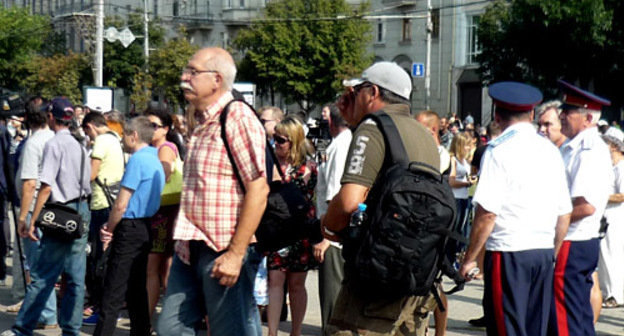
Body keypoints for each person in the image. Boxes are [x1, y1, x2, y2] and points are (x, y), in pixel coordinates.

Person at [157, 47, 269, 336]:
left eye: (192, 72)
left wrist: (235, 253)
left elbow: (259, 188)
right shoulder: (202, 119)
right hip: (189, 246)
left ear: (216, 80)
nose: (184, 77)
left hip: (222, 248)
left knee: (231, 331)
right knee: (170, 329)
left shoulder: (236, 117)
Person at [322, 61, 440, 336]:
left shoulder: (374, 128)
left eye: (358, 90)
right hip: (416, 274)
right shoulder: (423, 133)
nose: (352, 97)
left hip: (375, 278)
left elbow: (350, 201)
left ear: (372, 92)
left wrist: (328, 223)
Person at [458, 82, 572, 336]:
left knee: (506, 328)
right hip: (541, 251)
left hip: (508, 252)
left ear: (497, 116)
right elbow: (564, 213)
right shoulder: (551, 151)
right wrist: (551, 252)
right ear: (532, 115)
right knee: (535, 329)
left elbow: (487, 213)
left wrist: (469, 259)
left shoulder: (498, 151)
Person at [2, 97, 91, 336]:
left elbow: (46, 186)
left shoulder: (54, 144)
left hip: (59, 211)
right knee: (75, 277)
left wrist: (31, 220)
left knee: (42, 275)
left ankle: (23, 329)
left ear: (51, 117)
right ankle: (71, 329)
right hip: (81, 209)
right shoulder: (79, 145)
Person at [548, 80, 613, 336]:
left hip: (573, 239)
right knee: (576, 313)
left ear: (587, 118)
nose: (562, 115)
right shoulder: (573, 146)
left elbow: (585, 206)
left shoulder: (589, 150)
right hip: (573, 239)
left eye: (569, 110)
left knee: (565, 316)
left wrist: (548, 221)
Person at [93, 116, 165, 336]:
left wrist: (109, 229)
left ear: (134, 135)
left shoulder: (137, 160)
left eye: (125, 134)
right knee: (136, 288)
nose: (123, 138)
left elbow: (121, 203)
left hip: (130, 226)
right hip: (145, 226)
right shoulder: (156, 157)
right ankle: (141, 330)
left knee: (113, 289)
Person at [266, 116, 318, 336]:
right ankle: (272, 331)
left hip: (299, 232)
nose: (276, 144)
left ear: (294, 141)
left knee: (297, 284)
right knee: (275, 279)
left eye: (281, 140)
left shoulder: (308, 169)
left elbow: (314, 201)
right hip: (275, 230)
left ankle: (296, 332)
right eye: (274, 139)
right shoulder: (269, 163)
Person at [13, 100, 57, 329]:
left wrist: (23, 218)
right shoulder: (57, 139)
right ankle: (50, 313)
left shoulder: (34, 143)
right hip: (57, 210)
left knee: (37, 266)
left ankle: (46, 314)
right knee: (54, 265)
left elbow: (30, 183)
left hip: (36, 210)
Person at [80, 111, 125, 325]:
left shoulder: (100, 142)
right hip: (113, 202)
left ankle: (97, 305)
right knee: (106, 257)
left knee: (97, 257)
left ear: (90, 127)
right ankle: (102, 305)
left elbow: (91, 174)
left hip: (100, 204)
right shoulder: (116, 139)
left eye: (87, 132)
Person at [314, 104, 352, 336]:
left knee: (332, 294)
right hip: (335, 229)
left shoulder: (341, 146)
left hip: (334, 232)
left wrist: (327, 237)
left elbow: (335, 194)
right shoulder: (343, 143)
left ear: (331, 123)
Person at [143, 107, 183, 321]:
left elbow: (163, 175)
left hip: (163, 212)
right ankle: (170, 319)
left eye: (154, 125)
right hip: (165, 211)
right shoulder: (154, 148)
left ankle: (148, 321)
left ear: (166, 129)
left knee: (153, 267)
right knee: (164, 267)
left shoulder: (165, 148)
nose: (150, 129)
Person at [416, 110, 452, 336]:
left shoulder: (440, 154)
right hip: (420, 220)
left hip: (436, 223)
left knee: (435, 283)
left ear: (431, 130)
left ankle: (440, 331)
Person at [598, 132, 624, 308]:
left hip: (616, 216)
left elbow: (622, 195)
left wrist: (601, 196)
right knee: (604, 254)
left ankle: (615, 294)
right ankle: (607, 291)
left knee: (612, 254)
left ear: (614, 146)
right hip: (607, 215)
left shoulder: (621, 167)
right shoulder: (610, 167)